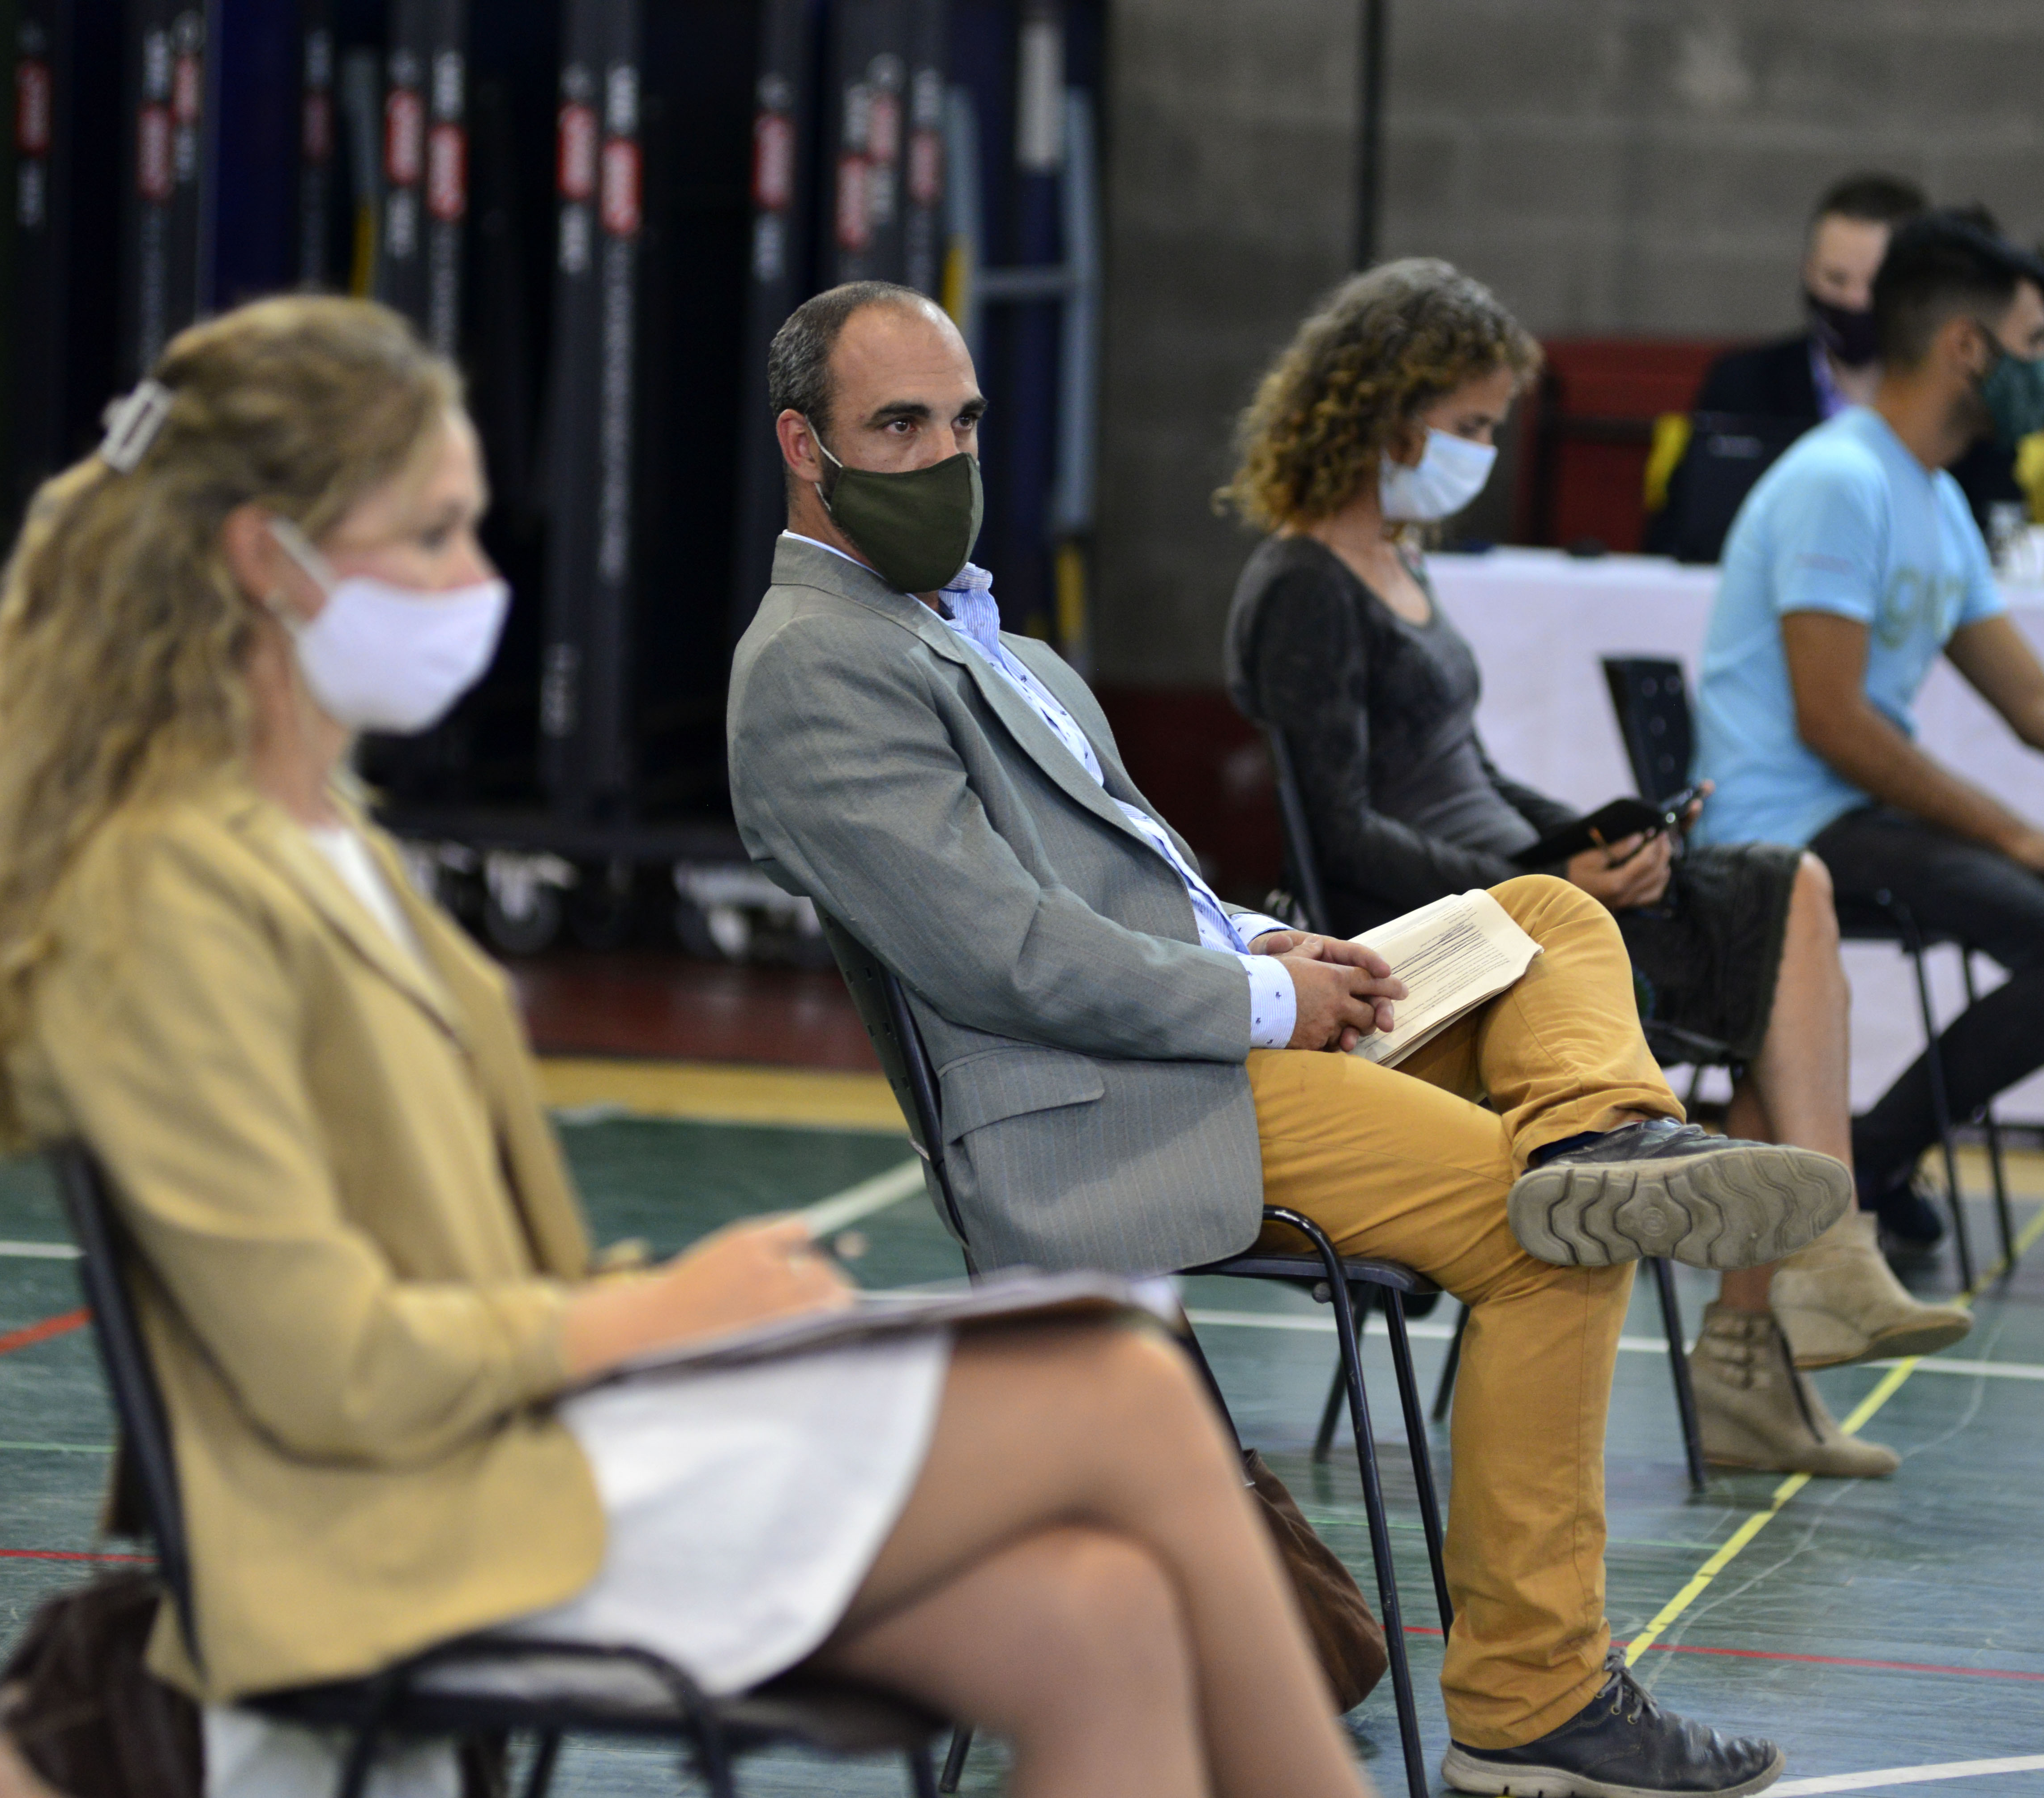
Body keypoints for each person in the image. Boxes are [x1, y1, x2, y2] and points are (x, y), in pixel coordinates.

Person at [0, 295, 1381, 1798]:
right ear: (264, 561)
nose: (479, 585)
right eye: (431, 539)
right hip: (390, 1519)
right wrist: (656, 1314)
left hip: (515, 1443)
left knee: (1097, 1614)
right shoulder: (168, 899)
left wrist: (683, 1316)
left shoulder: (332, 848)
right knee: (1122, 1391)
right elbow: (321, 1363)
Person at [729, 278, 1853, 1798]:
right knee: (1547, 1241)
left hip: (1203, 1032)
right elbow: (1003, 954)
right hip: (1107, 1105)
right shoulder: (809, 665)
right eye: (899, 427)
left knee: (1544, 916)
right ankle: (1531, 1701)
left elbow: (1146, 891)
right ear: (804, 446)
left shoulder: (1009, 648)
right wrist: (1267, 1001)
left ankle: (1607, 1135)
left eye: (966, 421)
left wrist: (1267, 943)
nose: (945, 456)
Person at [1221, 259, 1972, 1481]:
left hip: (1508, 891)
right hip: (1432, 935)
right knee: (1776, 913)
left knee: (1782, 895)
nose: (1482, 451)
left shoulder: (1399, 563)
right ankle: (1784, 1310)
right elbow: (1343, 833)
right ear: (1383, 408)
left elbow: (1469, 769)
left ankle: (1802, 1290)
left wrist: (1584, 840)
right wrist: (1539, 877)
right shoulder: (1302, 584)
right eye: (1468, 426)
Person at [1692, 211, 2044, 1255]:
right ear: (1966, 346)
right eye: (2033, 342)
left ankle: (1867, 1157)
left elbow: (2039, 707)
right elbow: (1832, 721)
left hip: (1852, 813)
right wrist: (2011, 834)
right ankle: (1860, 1165)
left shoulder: (1934, 498)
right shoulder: (1840, 481)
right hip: (1781, 825)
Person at [1648, 175, 2018, 550]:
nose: (1855, 301)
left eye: (1875, 284)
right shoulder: (1744, 385)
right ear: (1808, 271)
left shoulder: (1965, 399)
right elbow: (1676, 537)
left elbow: (2002, 540)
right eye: (1836, 280)